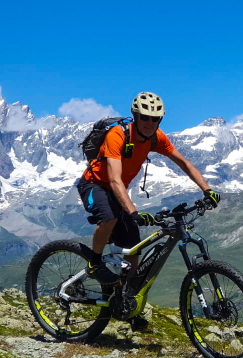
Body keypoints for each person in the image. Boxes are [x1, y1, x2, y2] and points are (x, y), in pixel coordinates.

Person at [77, 91, 220, 331]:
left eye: (156, 119)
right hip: (95, 184)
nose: (150, 123)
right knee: (110, 219)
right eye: (145, 117)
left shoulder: (156, 138)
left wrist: (207, 190)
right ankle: (94, 263)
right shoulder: (117, 135)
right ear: (136, 116)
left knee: (134, 247)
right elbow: (113, 180)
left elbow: (184, 163)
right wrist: (133, 212)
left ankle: (126, 302)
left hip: (117, 189)